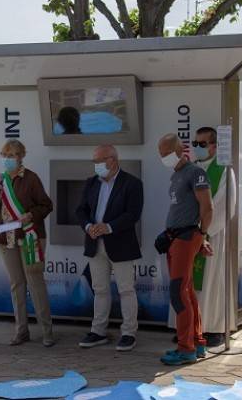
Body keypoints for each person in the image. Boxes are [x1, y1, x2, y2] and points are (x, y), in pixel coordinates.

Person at [167, 127, 235, 347]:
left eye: (202, 144)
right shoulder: (191, 169)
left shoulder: (224, 171)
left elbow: (225, 206)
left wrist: (202, 232)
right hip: (186, 235)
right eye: (195, 144)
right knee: (185, 284)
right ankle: (186, 328)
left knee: (210, 283)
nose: (197, 148)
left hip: (209, 236)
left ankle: (212, 328)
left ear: (214, 145)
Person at [0, 139, 55, 347]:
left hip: (30, 236)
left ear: (21, 157)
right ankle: (21, 330)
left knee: (35, 283)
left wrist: (30, 215)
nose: (8, 159)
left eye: (13, 155)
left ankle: (47, 331)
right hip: (6, 238)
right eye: (5, 155)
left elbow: (46, 205)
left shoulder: (31, 179)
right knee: (17, 284)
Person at [75, 145, 144, 351]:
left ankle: (129, 333)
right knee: (100, 289)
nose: (96, 165)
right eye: (94, 161)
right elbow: (81, 210)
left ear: (112, 160)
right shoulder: (91, 183)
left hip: (120, 243)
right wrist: (89, 227)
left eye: (99, 161)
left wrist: (108, 227)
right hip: (95, 243)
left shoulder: (132, 183)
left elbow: (133, 214)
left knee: (126, 289)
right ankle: (98, 331)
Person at [158, 133, 213, 366]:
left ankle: (185, 348)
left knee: (178, 292)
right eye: (160, 154)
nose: (163, 158)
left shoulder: (195, 173)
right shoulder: (176, 175)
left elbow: (207, 208)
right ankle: (196, 342)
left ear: (180, 151)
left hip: (187, 237)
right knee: (187, 291)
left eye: (166, 153)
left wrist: (201, 236)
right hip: (176, 237)